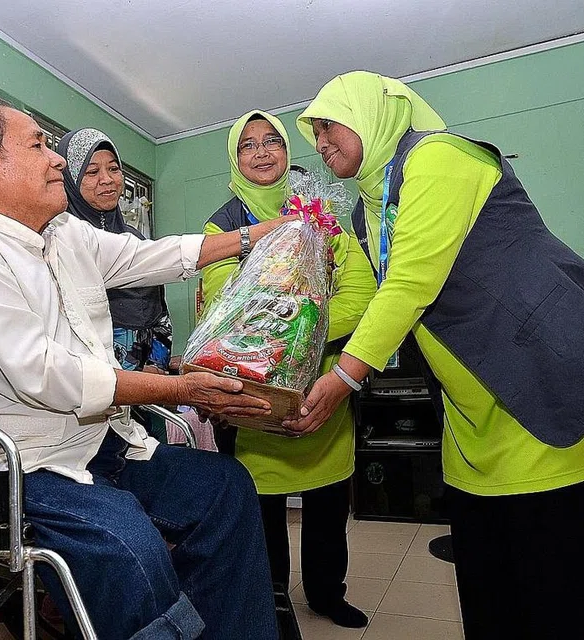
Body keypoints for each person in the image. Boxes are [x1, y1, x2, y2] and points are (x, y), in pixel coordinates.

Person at [284, 72, 584, 640]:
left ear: (368, 114)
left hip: (533, 381)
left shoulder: (438, 159)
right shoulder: (366, 210)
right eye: (314, 132)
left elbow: (409, 284)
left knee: (554, 579)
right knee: (487, 580)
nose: (321, 141)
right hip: (470, 407)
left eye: (328, 124)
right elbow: (374, 299)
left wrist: (343, 379)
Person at [0, 96, 294, 640]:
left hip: (101, 441)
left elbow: (149, 257)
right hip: (22, 462)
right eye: (38, 145)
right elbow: (46, 374)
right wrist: (179, 389)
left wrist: (252, 236)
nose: (57, 159)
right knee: (129, 546)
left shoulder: (64, 233)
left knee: (227, 489)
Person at [201, 110, 376, 629]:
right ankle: (271, 598)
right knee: (261, 510)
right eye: (247, 144)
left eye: (271, 141)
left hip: (323, 383)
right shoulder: (223, 226)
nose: (261, 152)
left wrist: (301, 331)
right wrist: (302, 316)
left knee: (328, 504)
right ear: (234, 158)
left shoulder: (321, 212)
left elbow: (362, 292)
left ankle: (327, 593)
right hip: (254, 393)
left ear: (286, 150)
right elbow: (226, 307)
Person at [57, 128, 172, 373]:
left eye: (113, 168)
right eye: (92, 172)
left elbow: (161, 315)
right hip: (91, 378)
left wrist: (156, 365)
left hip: (150, 381)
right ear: (70, 180)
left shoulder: (134, 239)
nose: (107, 179)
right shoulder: (60, 242)